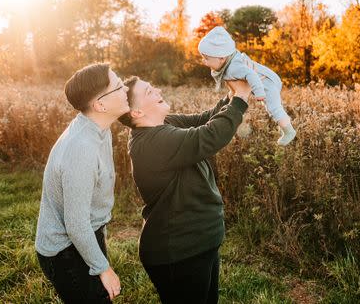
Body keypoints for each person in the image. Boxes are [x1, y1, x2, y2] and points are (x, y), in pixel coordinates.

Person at [118, 77, 252, 304]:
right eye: (149, 91)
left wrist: (231, 95)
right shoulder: (151, 143)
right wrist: (240, 99)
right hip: (178, 254)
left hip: (198, 244)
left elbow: (205, 120)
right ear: (137, 113)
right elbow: (208, 137)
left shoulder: (164, 123)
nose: (158, 88)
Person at [35, 63, 129, 303]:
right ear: (100, 105)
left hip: (85, 235)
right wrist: (103, 269)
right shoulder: (82, 149)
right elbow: (76, 224)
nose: (125, 88)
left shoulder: (98, 126)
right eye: (118, 86)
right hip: (64, 251)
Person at [198, 26, 297, 146]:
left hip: (267, 84)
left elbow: (251, 74)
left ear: (221, 58)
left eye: (206, 58)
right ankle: (284, 126)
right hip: (264, 83)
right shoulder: (229, 62)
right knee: (273, 109)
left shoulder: (234, 67)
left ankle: (289, 131)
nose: (203, 61)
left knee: (274, 108)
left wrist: (259, 92)